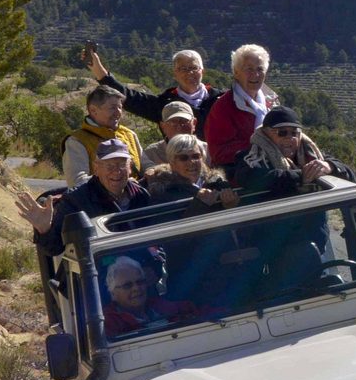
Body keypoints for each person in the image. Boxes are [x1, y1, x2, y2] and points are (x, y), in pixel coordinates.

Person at [17, 140, 153, 258]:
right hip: (94, 275)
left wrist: (154, 265)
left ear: (129, 168)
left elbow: (154, 239)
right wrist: (45, 230)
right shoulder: (76, 200)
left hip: (140, 271)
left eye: (121, 165)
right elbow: (53, 249)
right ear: (96, 168)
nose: (116, 171)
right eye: (109, 166)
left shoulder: (141, 195)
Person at [87, 47, 225, 128]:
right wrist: (99, 71)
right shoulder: (164, 104)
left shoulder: (222, 100)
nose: (189, 73)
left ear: (203, 71)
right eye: (183, 69)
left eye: (194, 68)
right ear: (175, 74)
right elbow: (129, 98)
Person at [235, 107, 355, 199]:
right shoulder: (251, 157)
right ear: (266, 134)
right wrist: (302, 176)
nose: (289, 138)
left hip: (312, 226)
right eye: (282, 132)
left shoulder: (311, 153)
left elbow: (351, 177)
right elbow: (252, 178)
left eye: (294, 133)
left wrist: (330, 166)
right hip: (271, 227)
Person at [204, 43, 279, 171]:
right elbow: (219, 152)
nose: (255, 74)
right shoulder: (224, 107)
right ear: (236, 73)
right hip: (239, 177)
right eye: (249, 69)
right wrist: (261, 144)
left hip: (273, 167)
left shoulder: (272, 102)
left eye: (260, 69)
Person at [102, 256, 208, 337]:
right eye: (127, 285)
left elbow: (204, 314)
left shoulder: (161, 305)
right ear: (113, 294)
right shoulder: (106, 323)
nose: (136, 288)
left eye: (140, 282)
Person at [62, 85, 142, 185]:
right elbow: (77, 182)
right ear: (93, 110)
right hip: (97, 200)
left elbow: (145, 168)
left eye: (120, 107)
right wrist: (122, 183)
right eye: (112, 108)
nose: (118, 112)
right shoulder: (76, 141)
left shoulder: (130, 135)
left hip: (136, 199)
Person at [142, 135, 238, 208]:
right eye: (183, 158)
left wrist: (231, 206)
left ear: (203, 158)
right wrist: (200, 205)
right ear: (172, 163)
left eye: (196, 156)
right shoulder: (161, 192)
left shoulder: (218, 183)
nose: (191, 162)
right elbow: (168, 230)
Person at [142, 101, 208, 169]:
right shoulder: (151, 154)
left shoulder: (209, 151)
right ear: (163, 126)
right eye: (173, 122)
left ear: (194, 123)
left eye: (184, 121)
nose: (179, 127)